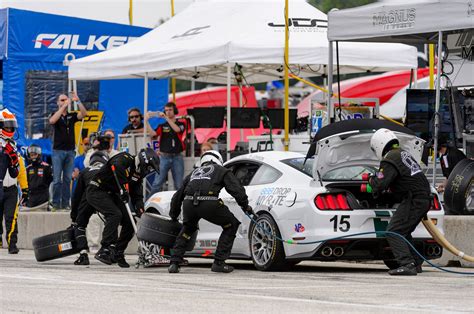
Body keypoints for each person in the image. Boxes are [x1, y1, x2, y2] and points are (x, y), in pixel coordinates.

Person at [168, 150, 253, 273]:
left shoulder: (193, 173)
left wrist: (174, 216)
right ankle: (219, 262)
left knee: (188, 229)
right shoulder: (222, 170)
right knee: (231, 224)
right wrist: (245, 206)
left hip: (189, 204)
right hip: (209, 202)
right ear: (218, 160)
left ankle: (174, 263)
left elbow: (177, 196)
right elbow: (236, 189)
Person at [368, 128, 431, 276]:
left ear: (379, 145)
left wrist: (371, 180)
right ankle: (415, 263)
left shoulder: (390, 158)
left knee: (394, 231)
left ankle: (406, 264)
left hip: (414, 199)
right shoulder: (403, 154)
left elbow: (380, 184)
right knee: (404, 231)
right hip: (423, 198)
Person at [87, 148, 159, 267]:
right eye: (149, 167)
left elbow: (136, 195)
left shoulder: (138, 175)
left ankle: (117, 252)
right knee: (115, 214)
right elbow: (116, 167)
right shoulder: (125, 158)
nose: (149, 171)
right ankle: (105, 249)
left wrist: (140, 208)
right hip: (97, 189)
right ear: (143, 161)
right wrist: (123, 188)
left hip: (113, 194)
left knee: (130, 224)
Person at [49, 92, 87, 211]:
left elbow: (84, 114)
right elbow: (52, 121)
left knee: (67, 179)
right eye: (61, 100)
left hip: (70, 151)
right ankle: (55, 204)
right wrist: (63, 107)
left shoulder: (72, 116)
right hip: (58, 151)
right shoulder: (55, 114)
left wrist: (78, 101)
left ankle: (65, 204)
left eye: (65, 99)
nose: (64, 101)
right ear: (57, 103)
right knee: (56, 180)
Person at [70, 151, 109, 266]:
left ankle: (83, 254)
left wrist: (74, 217)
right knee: (112, 219)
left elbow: (76, 196)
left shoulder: (85, 171)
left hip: (88, 197)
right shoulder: (108, 170)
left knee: (80, 225)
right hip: (105, 198)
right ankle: (109, 250)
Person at [146, 102, 185, 191]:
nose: (168, 112)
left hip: (177, 156)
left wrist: (166, 118)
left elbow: (177, 130)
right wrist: (146, 121)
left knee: (179, 185)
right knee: (157, 183)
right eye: (166, 110)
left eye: (170, 110)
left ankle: (179, 204)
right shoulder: (162, 126)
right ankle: (148, 204)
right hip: (164, 157)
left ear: (175, 111)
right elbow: (153, 134)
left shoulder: (181, 124)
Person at [0, 109, 22, 253]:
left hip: (12, 187)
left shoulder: (13, 146)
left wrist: (15, 161)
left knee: (11, 217)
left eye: (11, 126)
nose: (10, 129)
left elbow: (16, 172)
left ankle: (12, 245)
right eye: (7, 126)